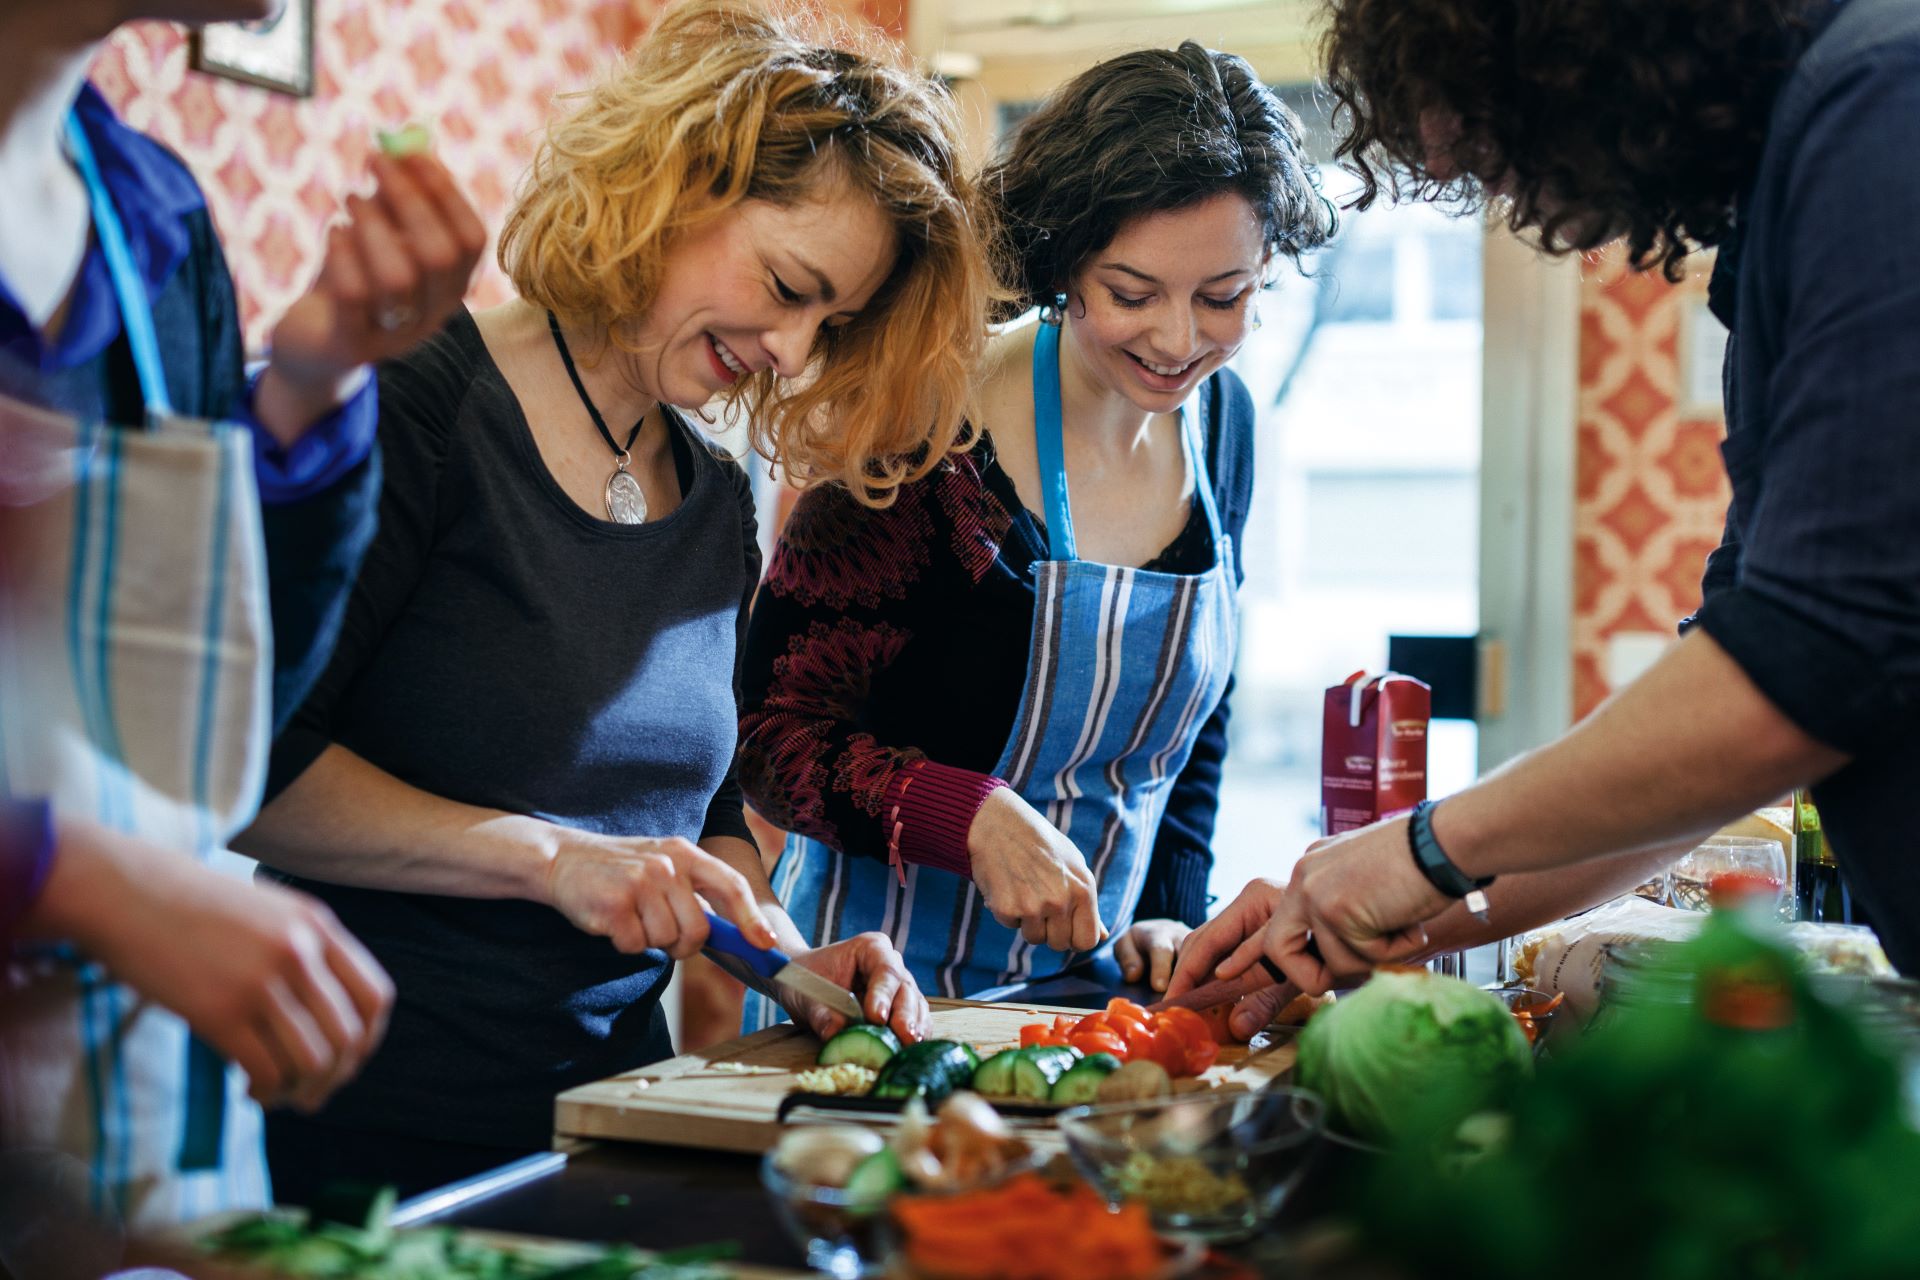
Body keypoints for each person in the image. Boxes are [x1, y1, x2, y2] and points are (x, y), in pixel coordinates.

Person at [234, 0, 993, 1201]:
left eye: (830, 323)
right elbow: (249, 777)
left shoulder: (717, 493)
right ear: (678, 183)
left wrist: (791, 964)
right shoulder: (418, 410)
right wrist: (553, 862)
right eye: (789, 286)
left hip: (625, 1114)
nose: (794, 353)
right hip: (385, 1117)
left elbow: (697, 819)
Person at [1169, 0, 1920, 1016]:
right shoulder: (1787, 202)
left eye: (1496, 146)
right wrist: (1372, 907)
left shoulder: (1881, 105)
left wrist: (1427, 846)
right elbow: (1713, 750)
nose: (1511, 195)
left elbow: (1801, 667)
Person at [0, 0, 484, 1238]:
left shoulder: (148, 222)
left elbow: (220, 711)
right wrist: (68, 877)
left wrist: (317, 380)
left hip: (112, 1167)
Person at [733, 43, 1332, 1021]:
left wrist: (1174, 919)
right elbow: (768, 735)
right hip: (875, 1000)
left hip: (1091, 1008)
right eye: (1132, 294)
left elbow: (1195, 724)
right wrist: (961, 814)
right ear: (1063, 265)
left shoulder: (1226, 429)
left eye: (1225, 296)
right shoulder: (929, 432)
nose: (1181, 341)